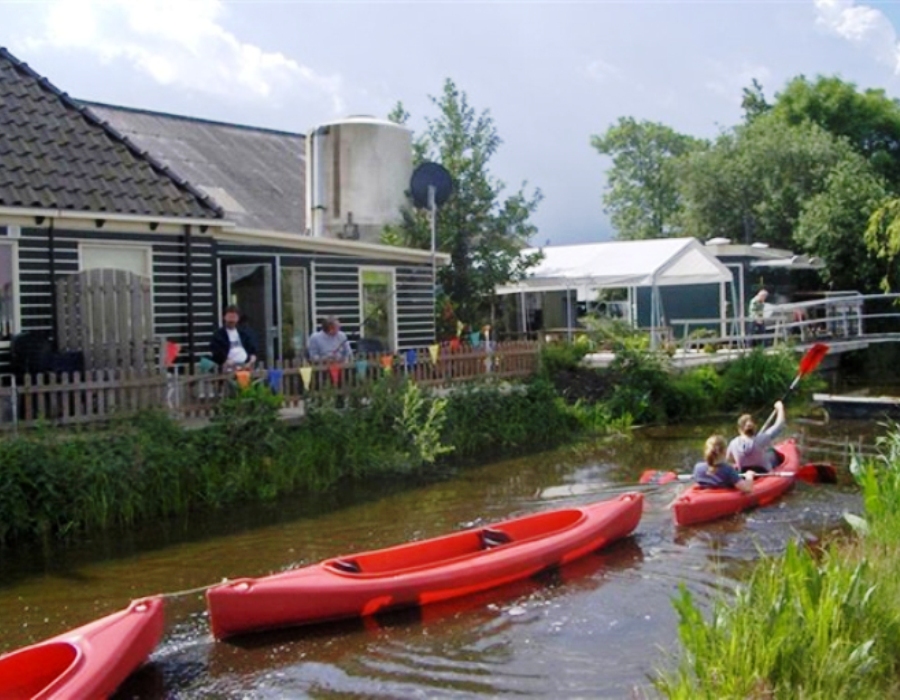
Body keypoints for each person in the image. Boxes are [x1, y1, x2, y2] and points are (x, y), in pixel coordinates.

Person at [726, 400, 786, 474]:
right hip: (763, 473)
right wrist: (780, 408)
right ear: (755, 427)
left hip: (744, 474)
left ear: (739, 429)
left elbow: (728, 460)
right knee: (772, 453)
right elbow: (780, 425)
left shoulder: (733, 443)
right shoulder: (762, 438)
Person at [210, 304, 258, 371]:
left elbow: (252, 349)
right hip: (228, 368)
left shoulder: (244, 333)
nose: (231, 320)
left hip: (246, 366)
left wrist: (252, 359)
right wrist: (226, 361)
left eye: (234, 317)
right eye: (230, 317)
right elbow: (217, 353)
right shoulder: (218, 335)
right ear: (224, 317)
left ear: (238, 318)